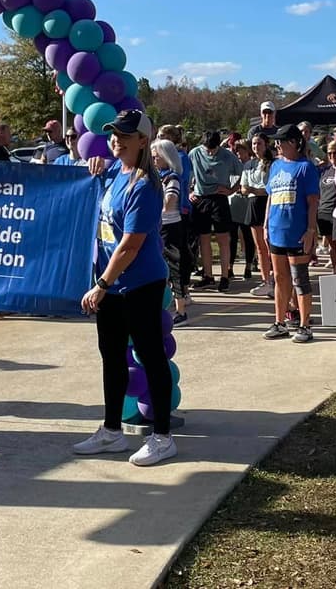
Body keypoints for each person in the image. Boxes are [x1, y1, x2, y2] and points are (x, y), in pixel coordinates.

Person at [75, 110, 176, 466]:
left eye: (125, 134)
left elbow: (130, 245)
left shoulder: (147, 186)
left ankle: (163, 437)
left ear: (143, 140)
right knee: (112, 356)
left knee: (150, 357)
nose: (116, 139)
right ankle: (112, 431)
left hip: (139, 284)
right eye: (114, 133)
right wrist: (93, 170)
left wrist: (102, 284)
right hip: (113, 286)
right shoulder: (116, 174)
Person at [262, 124, 320, 343]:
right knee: (279, 277)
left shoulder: (306, 168)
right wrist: (266, 225)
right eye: (275, 141)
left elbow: (313, 202)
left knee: (300, 279)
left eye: (281, 141)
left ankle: (305, 324)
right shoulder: (276, 166)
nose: (276, 145)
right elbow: (270, 197)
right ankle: (279, 322)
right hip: (276, 230)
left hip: (296, 232)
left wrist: (310, 231)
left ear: (295, 143)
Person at [188, 129, 241, 292]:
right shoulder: (194, 153)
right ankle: (208, 275)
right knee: (203, 238)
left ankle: (225, 276)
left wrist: (232, 190)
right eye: (207, 148)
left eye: (213, 149)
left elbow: (241, 172)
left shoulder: (227, 156)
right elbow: (185, 173)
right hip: (200, 198)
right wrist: (190, 191)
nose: (210, 152)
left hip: (219, 198)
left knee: (222, 238)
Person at [152, 138, 191, 325]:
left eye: (156, 155)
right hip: (159, 227)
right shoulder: (157, 176)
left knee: (174, 269)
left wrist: (152, 205)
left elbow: (169, 203)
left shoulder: (172, 178)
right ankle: (164, 306)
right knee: (160, 269)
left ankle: (181, 310)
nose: (153, 158)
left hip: (171, 228)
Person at [240, 134, 274, 295]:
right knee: (259, 246)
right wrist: (253, 189)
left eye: (259, 143)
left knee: (270, 245)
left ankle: (275, 277)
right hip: (253, 204)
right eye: (253, 144)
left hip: (267, 203)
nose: (256, 147)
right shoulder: (249, 164)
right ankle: (265, 280)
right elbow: (243, 188)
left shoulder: (272, 164)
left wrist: (253, 189)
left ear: (266, 144)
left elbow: (268, 189)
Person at [317, 142, 336, 272]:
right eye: (329, 153)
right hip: (323, 213)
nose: (332, 156)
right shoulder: (325, 171)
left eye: (335, 152)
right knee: (332, 248)